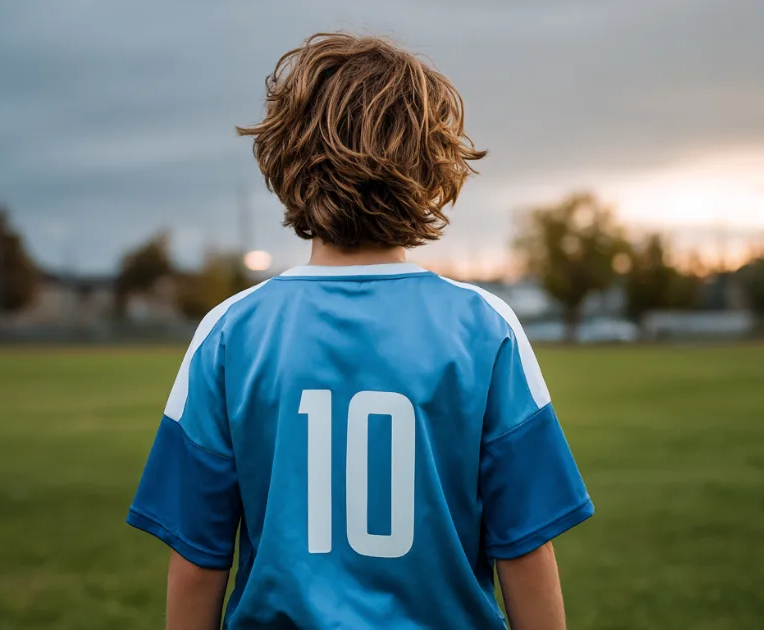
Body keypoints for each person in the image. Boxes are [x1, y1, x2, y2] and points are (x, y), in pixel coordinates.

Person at [128, 32, 593, 630]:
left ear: (287, 156)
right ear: (430, 164)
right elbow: (524, 548)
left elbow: (198, 556)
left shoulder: (230, 331)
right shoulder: (483, 327)